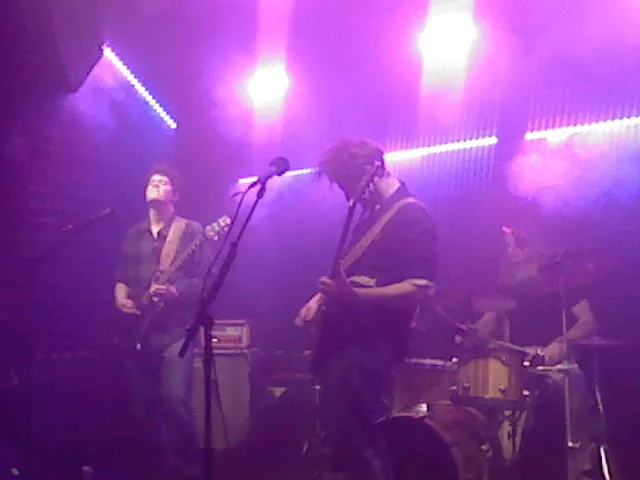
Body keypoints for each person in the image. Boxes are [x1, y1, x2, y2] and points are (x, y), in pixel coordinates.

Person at [295, 139, 438, 480]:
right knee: (344, 439)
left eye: (347, 184)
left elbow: (420, 287)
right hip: (347, 343)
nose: (348, 196)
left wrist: (354, 297)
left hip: (373, 346)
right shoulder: (370, 219)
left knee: (360, 440)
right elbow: (351, 275)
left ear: (369, 170)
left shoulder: (410, 215)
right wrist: (320, 299)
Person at [473, 219, 600, 480]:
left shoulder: (559, 281)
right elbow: (488, 320)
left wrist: (562, 343)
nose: (510, 252)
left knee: (565, 388)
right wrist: (470, 334)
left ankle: (575, 466)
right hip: (518, 363)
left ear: (531, 244)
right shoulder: (506, 287)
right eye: (506, 246)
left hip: (556, 362)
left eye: (515, 245)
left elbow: (587, 321)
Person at [115, 166, 209, 480]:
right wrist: (120, 295)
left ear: (175, 195)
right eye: (151, 181)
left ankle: (190, 472)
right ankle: (161, 470)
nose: (155, 184)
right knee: (143, 410)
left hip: (176, 333)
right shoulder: (134, 234)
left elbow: (204, 282)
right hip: (139, 333)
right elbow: (123, 275)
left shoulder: (191, 231)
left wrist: (175, 292)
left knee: (174, 399)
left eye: (163, 182)